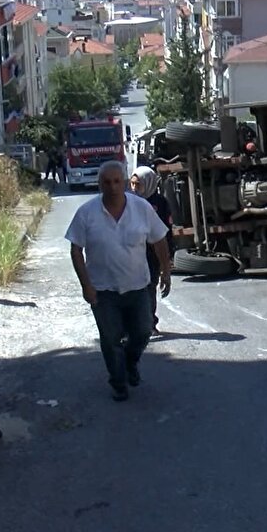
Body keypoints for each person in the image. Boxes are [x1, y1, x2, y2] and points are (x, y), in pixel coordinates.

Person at [66, 161, 171, 402]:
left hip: (138, 286)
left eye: (117, 181)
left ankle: (130, 362)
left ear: (124, 183)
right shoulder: (86, 213)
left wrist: (166, 271)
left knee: (143, 331)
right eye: (107, 182)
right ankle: (118, 382)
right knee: (111, 338)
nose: (112, 187)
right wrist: (86, 285)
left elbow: (159, 240)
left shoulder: (142, 208)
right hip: (103, 290)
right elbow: (76, 250)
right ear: (99, 184)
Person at [129, 166, 173, 334]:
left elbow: (165, 233)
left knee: (149, 289)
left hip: (152, 254)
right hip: (132, 254)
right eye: (132, 184)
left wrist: (166, 263)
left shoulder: (160, 203)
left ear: (148, 183)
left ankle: (149, 322)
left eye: (138, 184)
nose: (134, 188)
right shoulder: (128, 202)